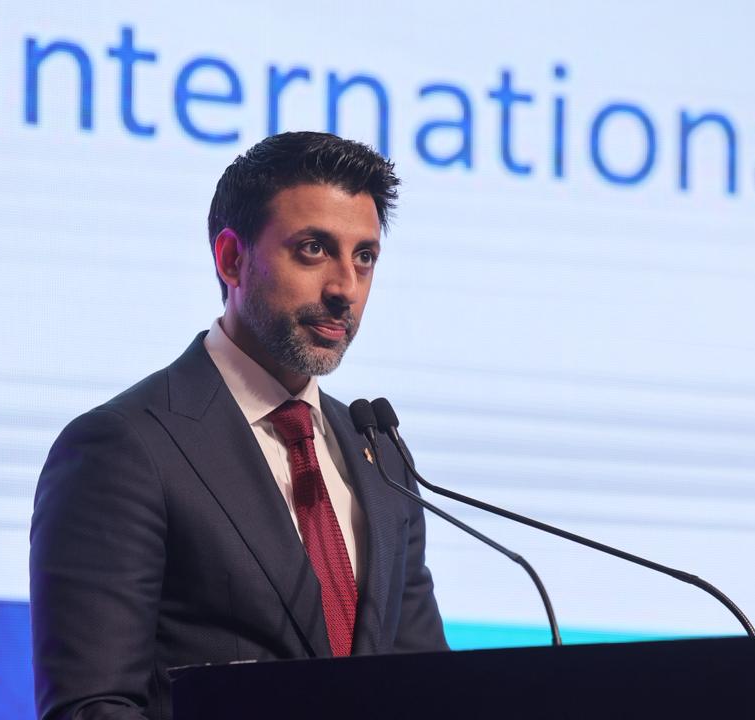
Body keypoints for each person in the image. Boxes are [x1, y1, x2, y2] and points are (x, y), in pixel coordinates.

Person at [29, 131, 447, 720]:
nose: (344, 288)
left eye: (364, 257)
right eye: (313, 249)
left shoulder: (381, 456)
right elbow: (92, 708)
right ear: (231, 259)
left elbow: (424, 686)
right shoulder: (123, 449)